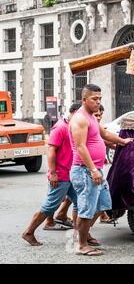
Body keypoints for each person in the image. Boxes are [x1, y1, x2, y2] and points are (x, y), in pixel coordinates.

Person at [70, 84, 133, 256]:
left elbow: (104, 135)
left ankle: (82, 235)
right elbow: (81, 147)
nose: (98, 102)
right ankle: (81, 244)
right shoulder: (80, 119)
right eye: (94, 99)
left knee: (103, 204)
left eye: (100, 99)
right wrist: (93, 170)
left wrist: (123, 141)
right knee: (86, 209)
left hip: (94, 170)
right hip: (85, 171)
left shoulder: (90, 117)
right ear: (84, 100)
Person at [21, 103, 81, 246]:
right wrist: (53, 173)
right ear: (73, 113)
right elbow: (51, 151)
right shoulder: (60, 128)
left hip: (71, 173)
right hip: (61, 175)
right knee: (49, 206)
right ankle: (28, 232)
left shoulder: (74, 127)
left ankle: (80, 235)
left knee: (80, 202)